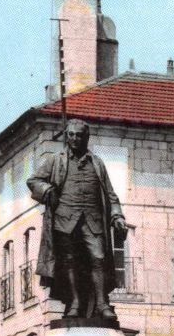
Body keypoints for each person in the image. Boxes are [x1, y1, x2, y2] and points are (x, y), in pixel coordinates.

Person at [27, 120, 128, 323]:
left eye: (79, 135)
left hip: (93, 220)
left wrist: (117, 216)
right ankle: (73, 302)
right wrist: (47, 190)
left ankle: (101, 304)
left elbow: (110, 195)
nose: (75, 138)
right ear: (67, 136)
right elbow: (33, 181)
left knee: (98, 258)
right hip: (65, 219)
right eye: (71, 134)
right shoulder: (55, 160)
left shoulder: (97, 163)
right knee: (69, 261)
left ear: (86, 137)